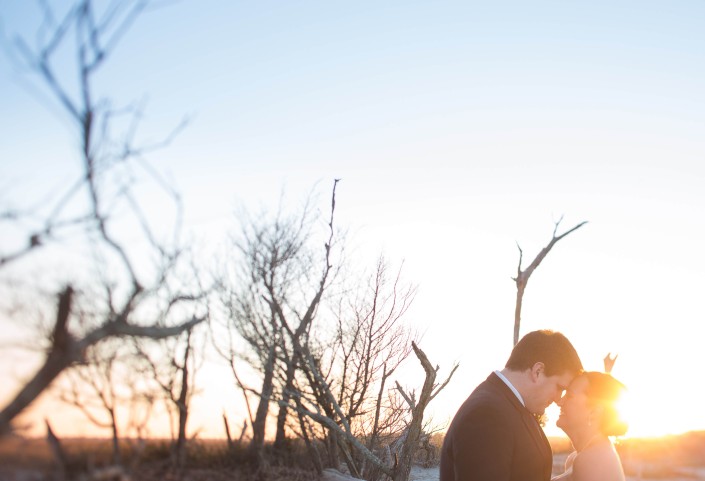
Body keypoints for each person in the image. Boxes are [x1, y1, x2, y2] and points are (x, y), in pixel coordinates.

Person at [440, 329, 583, 481]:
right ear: (538, 371)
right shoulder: (486, 413)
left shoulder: (510, 406)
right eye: (560, 387)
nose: (558, 399)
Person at [552, 372, 628, 481]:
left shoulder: (591, 460)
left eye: (569, 396)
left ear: (594, 412)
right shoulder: (577, 457)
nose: (559, 402)